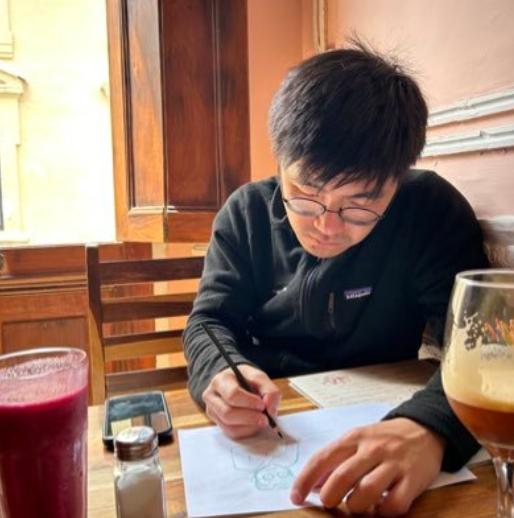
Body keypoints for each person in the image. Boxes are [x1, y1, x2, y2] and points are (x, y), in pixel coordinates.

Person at [183, 42, 488, 516]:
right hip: (271, 426)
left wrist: (431, 427)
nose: (326, 226)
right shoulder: (245, 213)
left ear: (398, 179)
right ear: (279, 161)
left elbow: (483, 348)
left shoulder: (428, 211)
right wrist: (219, 374)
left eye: (360, 205)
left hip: (389, 410)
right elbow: (208, 322)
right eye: (304, 194)